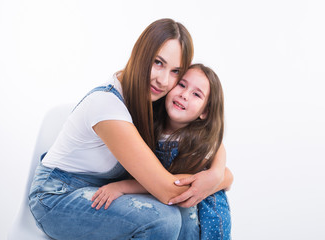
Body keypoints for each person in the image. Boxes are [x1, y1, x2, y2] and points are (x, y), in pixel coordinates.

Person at [28, 18, 230, 240]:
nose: (163, 80)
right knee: (164, 220)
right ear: (141, 54)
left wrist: (217, 172)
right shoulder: (107, 105)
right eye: (158, 62)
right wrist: (218, 179)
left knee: (185, 213)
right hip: (56, 197)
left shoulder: (150, 96)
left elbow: (208, 135)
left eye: (175, 72)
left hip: (99, 189)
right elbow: (167, 190)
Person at [91, 64, 232, 239]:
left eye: (196, 94)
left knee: (183, 214)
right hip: (167, 208)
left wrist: (121, 187)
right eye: (181, 84)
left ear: (205, 112)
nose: (184, 94)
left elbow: (173, 185)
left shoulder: (197, 143)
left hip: (202, 219)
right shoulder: (150, 125)